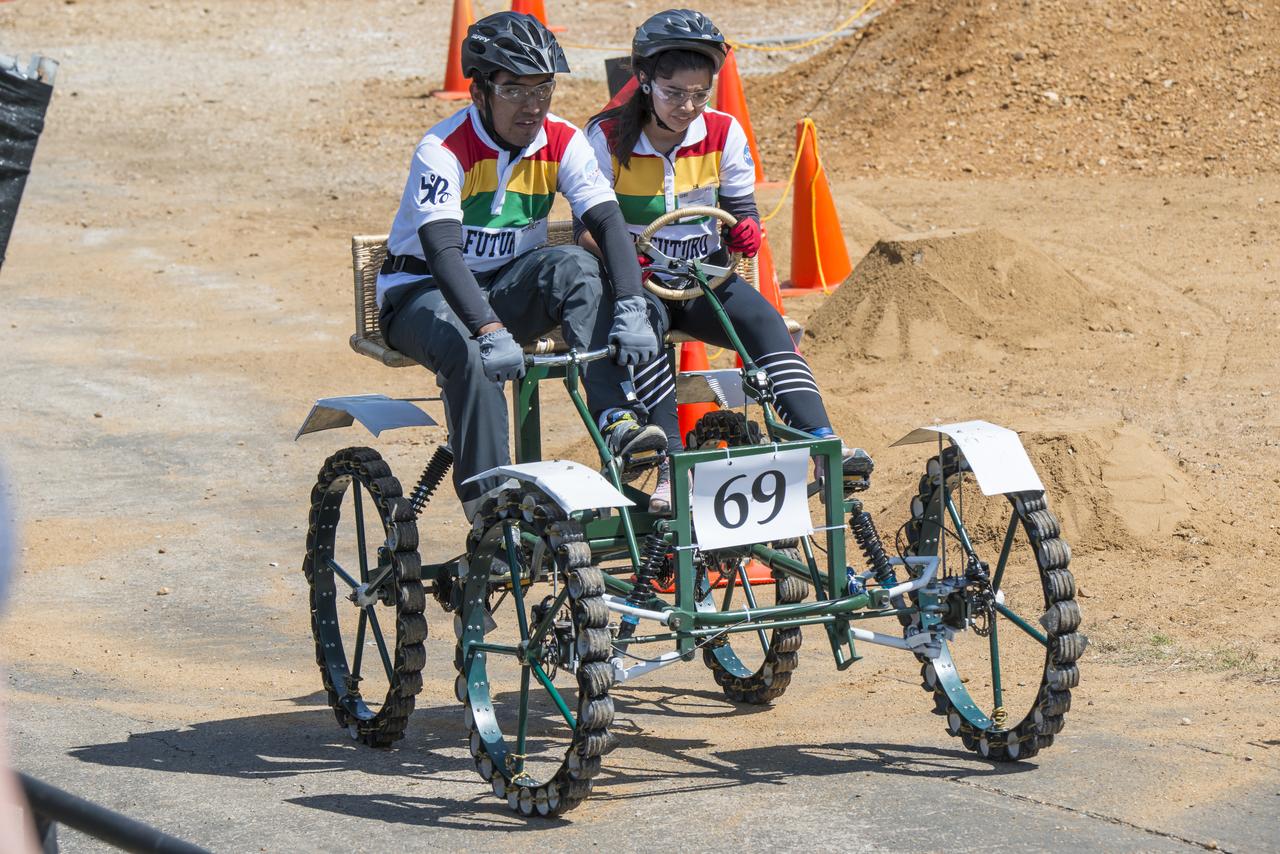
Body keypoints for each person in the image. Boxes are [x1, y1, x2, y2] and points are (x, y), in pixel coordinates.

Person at [377, 12, 667, 520]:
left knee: (578, 265)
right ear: (479, 93)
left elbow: (608, 223)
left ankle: (615, 416)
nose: (532, 106)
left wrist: (632, 304)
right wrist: (488, 327)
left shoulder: (560, 139)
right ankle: (490, 505)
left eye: (543, 89)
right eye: (514, 90)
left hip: (508, 286)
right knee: (470, 348)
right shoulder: (443, 150)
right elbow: (443, 253)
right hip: (423, 291)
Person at [577, 9, 848, 513]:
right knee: (648, 337)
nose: (688, 106)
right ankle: (669, 470)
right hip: (639, 286)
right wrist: (627, 268)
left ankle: (822, 445)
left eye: (700, 94)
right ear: (644, 81)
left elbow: (740, 213)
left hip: (705, 278)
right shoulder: (606, 137)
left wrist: (745, 233)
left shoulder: (723, 131)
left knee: (769, 325)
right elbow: (585, 232)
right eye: (674, 92)